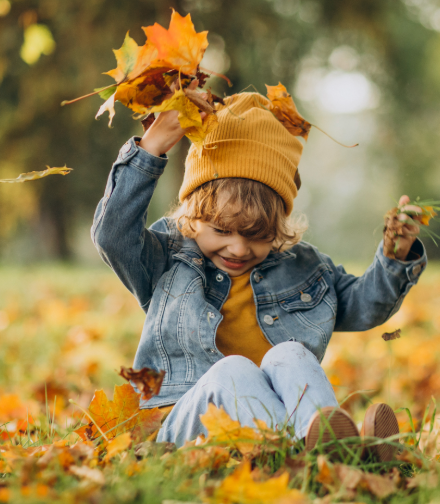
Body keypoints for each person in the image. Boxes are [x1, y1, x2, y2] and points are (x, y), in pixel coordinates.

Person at [92, 84, 427, 461]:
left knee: (291, 354)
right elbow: (113, 235)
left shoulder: (303, 267)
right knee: (232, 369)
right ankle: (333, 453)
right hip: (184, 426)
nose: (237, 248)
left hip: (263, 427)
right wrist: (150, 148)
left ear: (278, 228)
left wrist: (395, 256)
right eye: (221, 230)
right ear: (191, 216)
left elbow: (366, 306)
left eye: (257, 235)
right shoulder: (166, 256)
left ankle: (326, 445)